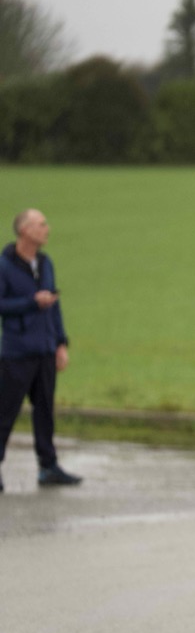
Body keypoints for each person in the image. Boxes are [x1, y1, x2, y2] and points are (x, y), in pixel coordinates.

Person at [0, 209, 81, 492]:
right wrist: (31, 302)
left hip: (45, 349)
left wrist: (61, 343)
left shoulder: (46, 263)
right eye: (41, 224)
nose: (47, 229)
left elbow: (54, 306)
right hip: (17, 352)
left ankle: (48, 467)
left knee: (45, 411)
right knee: (5, 412)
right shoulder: (5, 266)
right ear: (25, 230)